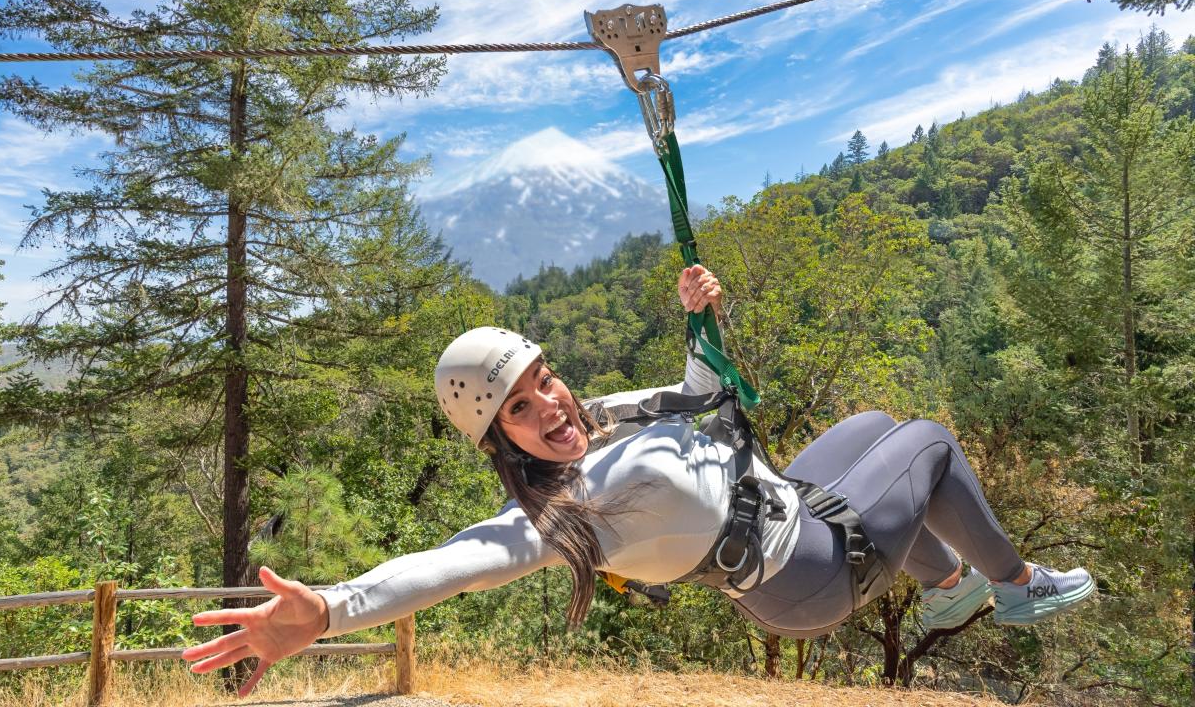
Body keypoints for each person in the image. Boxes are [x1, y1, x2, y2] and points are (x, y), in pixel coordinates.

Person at [182, 265, 1096, 696]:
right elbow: (449, 563)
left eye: (544, 376)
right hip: (810, 572)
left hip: (784, 512)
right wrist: (331, 610)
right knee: (927, 443)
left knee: (871, 428)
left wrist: (705, 318)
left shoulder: (601, 420)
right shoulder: (560, 516)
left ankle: (941, 583)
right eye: (520, 406)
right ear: (501, 441)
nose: (551, 402)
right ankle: (1013, 589)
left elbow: (703, 394)